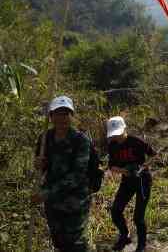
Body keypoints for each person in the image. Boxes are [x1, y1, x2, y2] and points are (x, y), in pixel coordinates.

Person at [33, 96, 92, 252]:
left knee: (75, 244)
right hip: (53, 203)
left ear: (71, 116)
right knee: (59, 242)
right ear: (51, 116)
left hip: (75, 201)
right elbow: (41, 167)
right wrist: (39, 163)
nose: (62, 118)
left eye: (66, 113)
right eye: (58, 113)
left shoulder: (81, 140)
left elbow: (77, 176)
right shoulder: (45, 138)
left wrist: (46, 193)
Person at [107, 116, 157, 252]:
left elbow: (154, 155)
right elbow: (111, 166)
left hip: (142, 181)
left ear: (124, 129)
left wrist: (142, 167)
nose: (117, 137)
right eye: (114, 134)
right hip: (127, 181)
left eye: (119, 133)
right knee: (116, 211)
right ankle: (124, 235)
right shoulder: (112, 145)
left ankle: (142, 245)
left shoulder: (137, 142)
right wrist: (123, 170)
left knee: (138, 217)